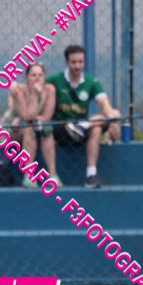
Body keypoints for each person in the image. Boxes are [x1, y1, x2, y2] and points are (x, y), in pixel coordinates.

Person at [47, 45, 121, 188]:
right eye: (74, 62)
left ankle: (91, 176)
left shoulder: (91, 82)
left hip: (81, 130)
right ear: (67, 62)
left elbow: (104, 104)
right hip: (60, 128)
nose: (77, 66)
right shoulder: (54, 80)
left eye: (81, 62)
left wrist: (114, 121)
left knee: (100, 124)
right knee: (96, 121)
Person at [2, 63, 60, 188]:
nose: (37, 78)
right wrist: (34, 95)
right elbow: (26, 116)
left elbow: (47, 116)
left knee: (47, 130)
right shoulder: (18, 90)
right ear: (27, 77)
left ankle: (53, 175)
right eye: (33, 75)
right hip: (12, 130)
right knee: (28, 128)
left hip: (35, 126)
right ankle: (29, 175)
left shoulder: (50, 90)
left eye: (40, 75)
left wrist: (32, 118)